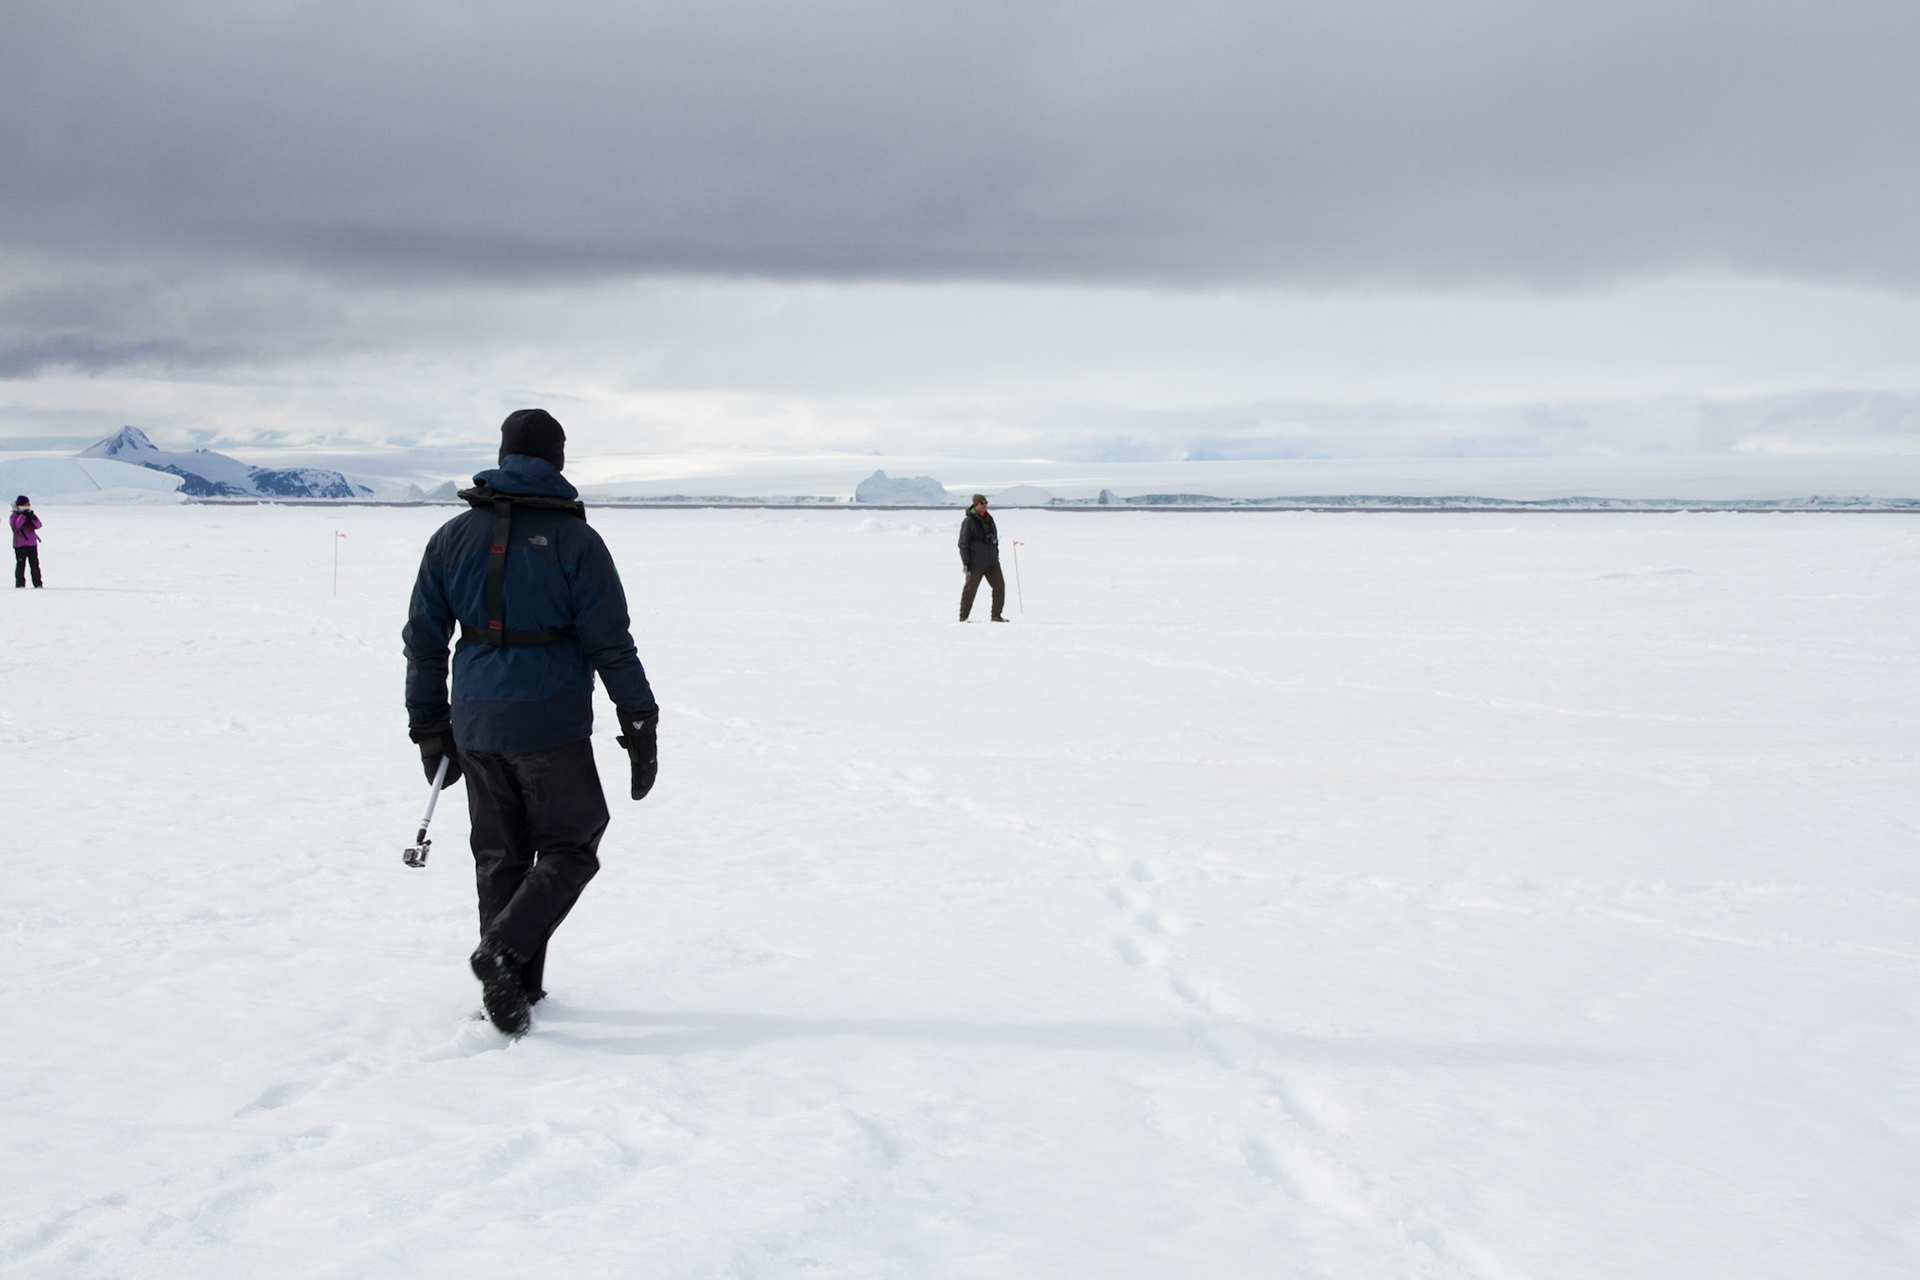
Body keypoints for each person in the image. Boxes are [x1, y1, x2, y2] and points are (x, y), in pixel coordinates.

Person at [402, 409, 659, 1036]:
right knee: (573, 842)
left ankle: (517, 992)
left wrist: (428, 722)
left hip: (476, 720)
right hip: (548, 720)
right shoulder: (576, 541)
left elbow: (424, 640)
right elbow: (610, 642)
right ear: (557, 458)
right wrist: (640, 717)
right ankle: (503, 954)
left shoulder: (451, 537)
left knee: (501, 855)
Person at [957, 493, 1006, 622]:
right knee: (970, 590)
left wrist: (995, 554)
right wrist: (966, 562)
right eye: (981, 503)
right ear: (975, 505)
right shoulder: (968, 522)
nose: (984, 505)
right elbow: (963, 543)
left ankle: (996, 616)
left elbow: (995, 539)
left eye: (986, 502)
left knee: (1000, 587)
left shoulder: (990, 519)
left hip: (992, 562)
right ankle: (963, 617)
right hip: (975, 563)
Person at [11, 495, 42, 589]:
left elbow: (38, 525)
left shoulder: (30, 514)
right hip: (20, 545)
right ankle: (20, 584)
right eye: (26, 504)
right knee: (21, 565)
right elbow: (16, 526)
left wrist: (32, 518)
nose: (29, 505)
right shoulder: (14, 516)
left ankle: (38, 584)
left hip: (32, 544)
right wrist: (23, 516)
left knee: (35, 565)